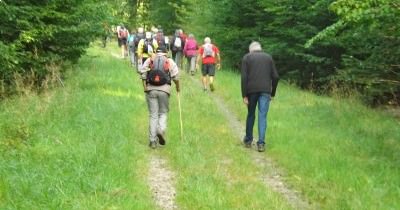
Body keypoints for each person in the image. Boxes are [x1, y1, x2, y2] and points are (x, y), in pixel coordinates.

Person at [138, 46, 180, 149]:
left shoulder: (150, 59)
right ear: (166, 53)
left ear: (156, 52)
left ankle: (152, 141)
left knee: (153, 115)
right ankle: (160, 130)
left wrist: (145, 88)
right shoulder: (169, 61)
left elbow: (142, 73)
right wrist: (178, 88)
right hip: (164, 91)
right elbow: (176, 77)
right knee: (163, 113)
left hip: (151, 90)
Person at [241, 41, 279, 152]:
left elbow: (244, 78)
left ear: (250, 50)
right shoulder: (268, 58)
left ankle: (248, 140)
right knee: (262, 116)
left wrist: (244, 95)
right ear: (260, 49)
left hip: (251, 91)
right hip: (266, 91)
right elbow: (276, 77)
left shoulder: (247, 58)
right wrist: (272, 93)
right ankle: (261, 143)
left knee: (251, 114)